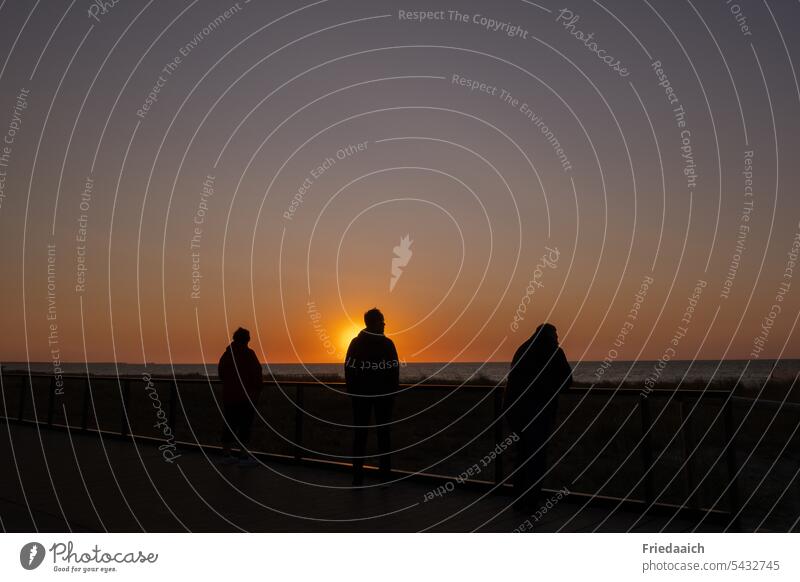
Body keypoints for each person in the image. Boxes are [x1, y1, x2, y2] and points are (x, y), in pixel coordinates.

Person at [504, 323, 572, 513]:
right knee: (536, 457)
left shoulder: (522, 349)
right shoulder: (554, 352)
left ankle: (519, 498)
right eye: (556, 336)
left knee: (522, 455)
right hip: (539, 413)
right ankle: (532, 501)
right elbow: (567, 381)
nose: (558, 339)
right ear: (551, 336)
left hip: (516, 413)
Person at [344, 308, 400, 486]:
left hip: (361, 397)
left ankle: (358, 476)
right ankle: (384, 476)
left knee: (361, 435)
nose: (384, 324)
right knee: (382, 435)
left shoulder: (355, 343)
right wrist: (391, 392)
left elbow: (349, 369)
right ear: (374, 323)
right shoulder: (387, 344)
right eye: (382, 321)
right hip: (381, 398)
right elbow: (394, 372)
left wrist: (353, 391)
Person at [217, 327, 263, 466]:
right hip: (246, 397)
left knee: (229, 425)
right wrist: (257, 390)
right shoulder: (249, 354)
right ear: (247, 339)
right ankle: (243, 456)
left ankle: (226, 454)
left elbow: (221, 374)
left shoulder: (227, 354)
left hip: (229, 397)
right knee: (245, 426)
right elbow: (256, 374)